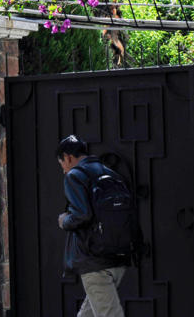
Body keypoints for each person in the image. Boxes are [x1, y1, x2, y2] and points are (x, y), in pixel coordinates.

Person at [57, 134, 129, 317]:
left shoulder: (75, 176)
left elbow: (82, 215)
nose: (64, 171)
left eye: (62, 164)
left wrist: (64, 221)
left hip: (95, 261)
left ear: (67, 157)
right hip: (118, 257)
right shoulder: (110, 174)